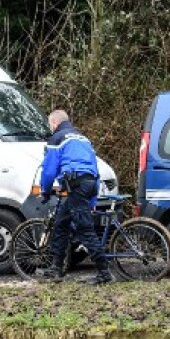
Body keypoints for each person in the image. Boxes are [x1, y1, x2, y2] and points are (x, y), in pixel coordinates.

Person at [35, 109, 110, 285]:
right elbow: (94, 170)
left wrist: (45, 191)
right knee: (61, 223)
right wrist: (92, 199)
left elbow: (49, 170)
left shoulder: (57, 139)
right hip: (89, 183)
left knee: (85, 229)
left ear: (54, 123)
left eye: (50, 125)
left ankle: (104, 272)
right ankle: (56, 269)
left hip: (76, 185)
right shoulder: (83, 138)